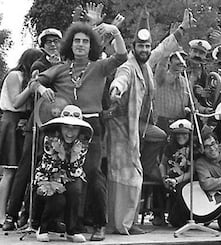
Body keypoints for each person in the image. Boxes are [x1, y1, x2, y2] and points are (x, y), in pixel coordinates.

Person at [30, 21, 128, 241]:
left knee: (92, 172)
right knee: (60, 175)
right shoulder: (61, 68)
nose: (81, 45)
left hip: (90, 126)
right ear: (70, 45)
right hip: (64, 127)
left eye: (85, 41)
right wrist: (43, 88)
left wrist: (117, 33)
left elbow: (121, 57)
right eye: (77, 41)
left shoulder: (99, 66)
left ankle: (99, 224)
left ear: (91, 44)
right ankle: (55, 223)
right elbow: (34, 83)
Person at [107, 9, 194, 234]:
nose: (145, 50)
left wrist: (182, 28)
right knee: (125, 176)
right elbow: (121, 79)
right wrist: (116, 89)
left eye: (147, 47)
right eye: (141, 46)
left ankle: (144, 168)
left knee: (160, 137)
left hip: (141, 127)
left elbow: (165, 47)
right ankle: (123, 223)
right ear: (133, 47)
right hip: (123, 126)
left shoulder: (146, 63)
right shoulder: (128, 64)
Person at [34, 105, 93, 242]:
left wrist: (73, 158)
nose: (70, 132)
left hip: (71, 177)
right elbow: (50, 169)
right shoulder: (50, 140)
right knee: (57, 199)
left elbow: (75, 170)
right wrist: (60, 155)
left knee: (76, 189)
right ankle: (42, 227)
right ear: (60, 127)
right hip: (48, 177)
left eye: (74, 128)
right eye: (66, 127)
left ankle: (72, 230)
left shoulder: (82, 143)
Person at [0, 48, 42, 228]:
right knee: (10, 171)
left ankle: (18, 212)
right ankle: (1, 214)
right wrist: (31, 86)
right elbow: (16, 102)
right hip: (11, 121)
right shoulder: (14, 76)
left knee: (22, 172)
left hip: (25, 123)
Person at [157, 119, 192, 227]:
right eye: (178, 134)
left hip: (185, 180)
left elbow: (191, 173)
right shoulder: (169, 147)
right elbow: (162, 164)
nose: (181, 136)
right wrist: (163, 178)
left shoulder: (193, 149)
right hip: (170, 178)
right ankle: (158, 216)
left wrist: (176, 181)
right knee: (158, 187)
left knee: (177, 221)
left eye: (184, 133)